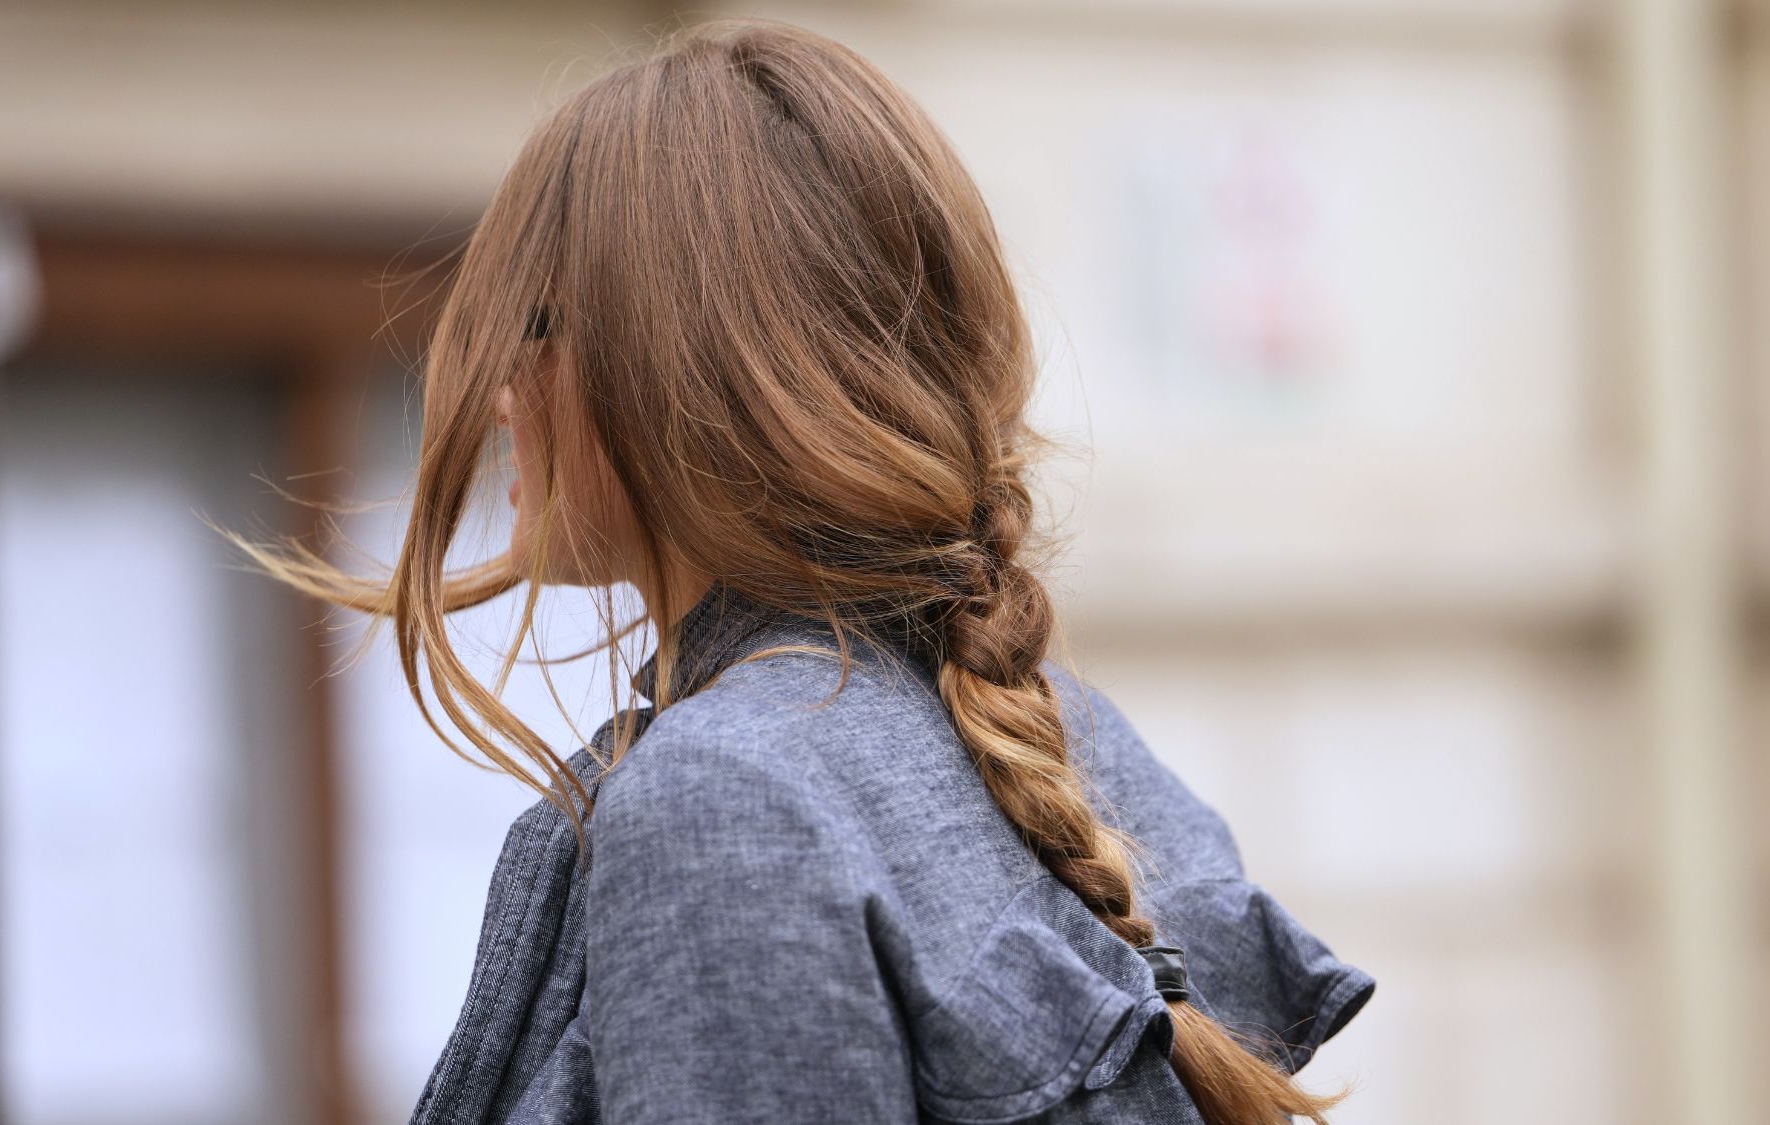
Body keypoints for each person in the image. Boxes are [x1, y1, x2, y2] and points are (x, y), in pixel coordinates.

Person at [226, 16, 1372, 1124]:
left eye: (532, 325)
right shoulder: (1065, 741)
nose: (497, 398)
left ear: (689, 363)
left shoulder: (723, 799)